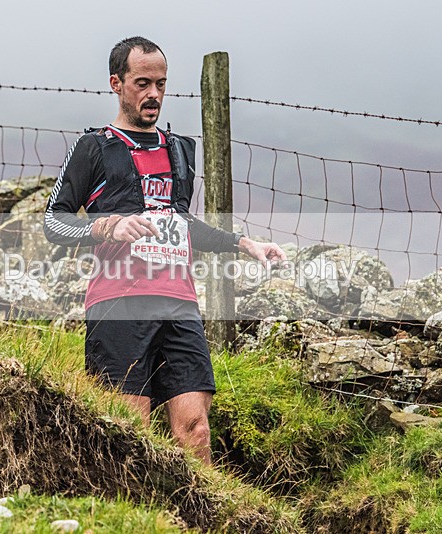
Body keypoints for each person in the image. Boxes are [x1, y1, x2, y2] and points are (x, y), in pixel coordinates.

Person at [44, 36, 286, 464]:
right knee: (126, 434)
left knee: (196, 431)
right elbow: (53, 221)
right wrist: (106, 226)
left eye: (161, 83)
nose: (153, 94)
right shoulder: (95, 147)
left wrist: (244, 243)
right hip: (119, 305)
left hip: (180, 306)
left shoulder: (179, 150)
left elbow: (180, 221)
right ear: (116, 83)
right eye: (142, 83)